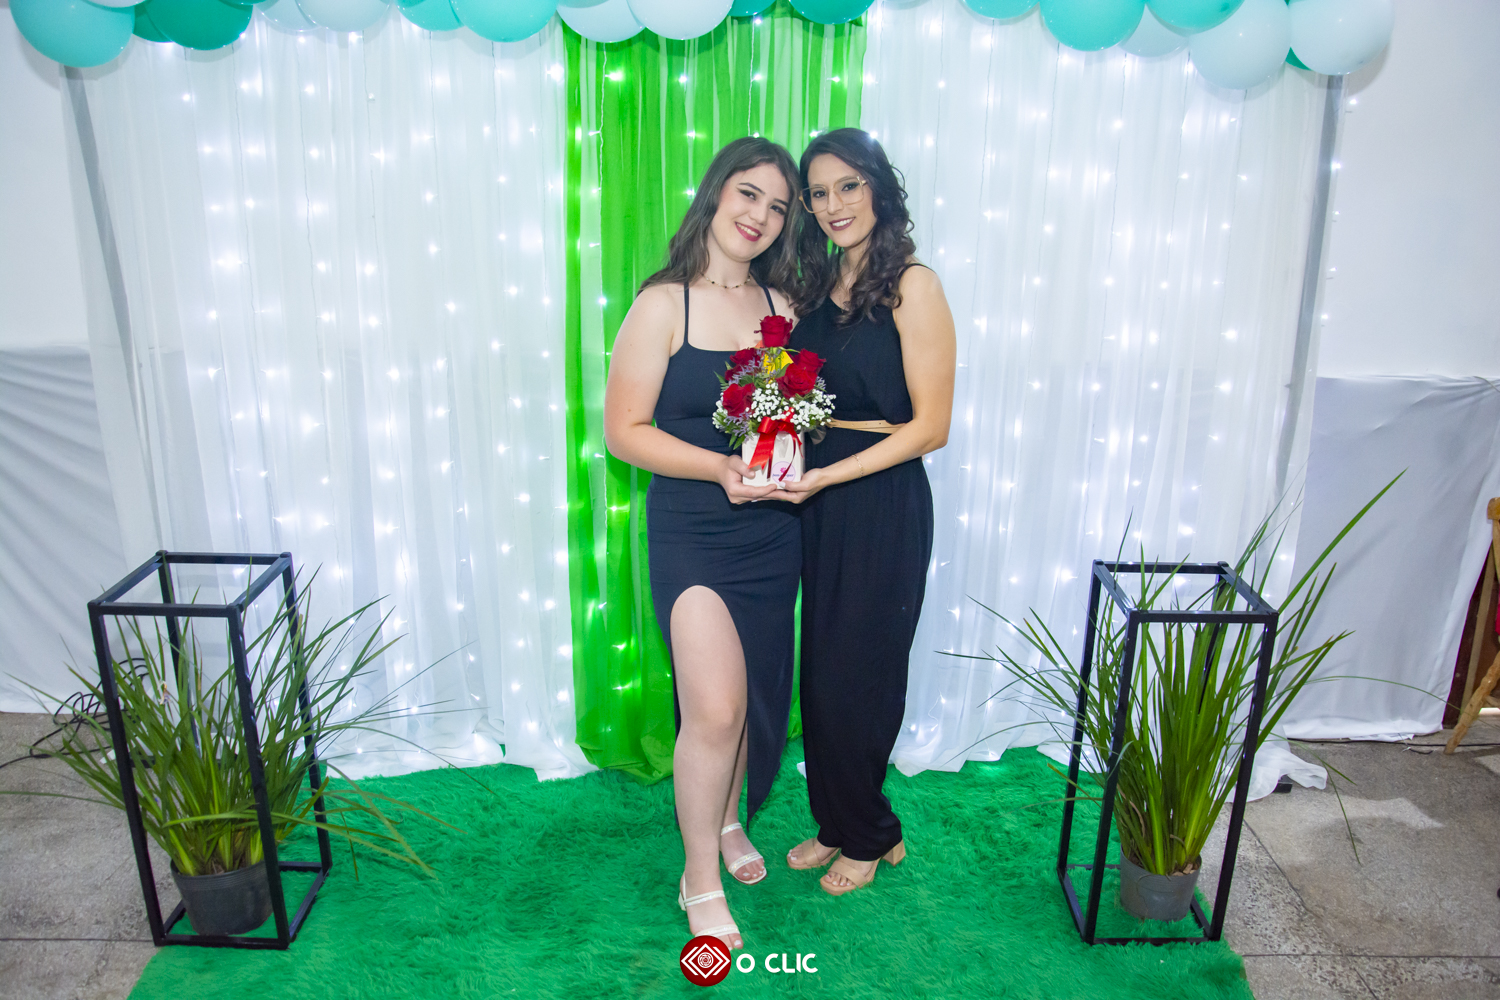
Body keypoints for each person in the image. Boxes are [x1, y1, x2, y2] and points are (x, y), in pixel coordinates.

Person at [603, 137, 804, 949]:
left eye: (778, 207)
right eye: (749, 194)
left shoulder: (783, 305)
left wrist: (792, 459)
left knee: (746, 699)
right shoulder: (663, 305)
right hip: (691, 528)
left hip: (772, 531)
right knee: (713, 706)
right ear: (717, 192)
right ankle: (699, 876)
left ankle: (726, 822)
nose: (760, 216)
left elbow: (790, 414)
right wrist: (719, 467)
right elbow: (623, 432)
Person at [779, 128, 956, 896]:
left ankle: (874, 834)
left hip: (879, 500)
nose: (833, 204)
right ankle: (835, 820)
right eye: (819, 192)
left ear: (878, 188)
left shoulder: (913, 286)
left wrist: (831, 471)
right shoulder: (817, 290)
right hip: (819, 499)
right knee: (822, 673)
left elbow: (930, 427)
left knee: (863, 675)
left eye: (848, 185)